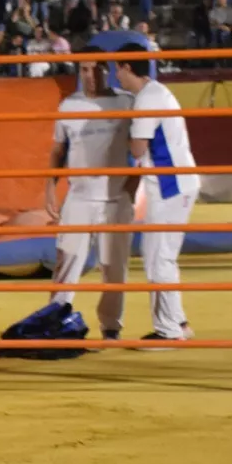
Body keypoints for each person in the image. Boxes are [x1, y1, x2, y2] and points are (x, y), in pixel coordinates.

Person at [111, 44, 197, 342]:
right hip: (173, 183)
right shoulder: (155, 93)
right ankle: (177, 323)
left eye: (118, 69)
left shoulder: (147, 99)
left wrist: (120, 128)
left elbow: (138, 148)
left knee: (158, 258)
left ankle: (170, 331)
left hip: (169, 185)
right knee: (162, 257)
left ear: (127, 67)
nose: (116, 76)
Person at [47, 60, 137, 340]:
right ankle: (54, 322)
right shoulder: (68, 106)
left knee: (114, 267)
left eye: (97, 69)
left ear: (107, 71)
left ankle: (111, 327)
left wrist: (134, 184)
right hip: (79, 198)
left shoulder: (127, 103)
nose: (91, 75)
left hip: (116, 199)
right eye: (85, 69)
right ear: (79, 72)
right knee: (67, 261)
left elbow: (143, 143)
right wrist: (49, 187)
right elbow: (58, 150)